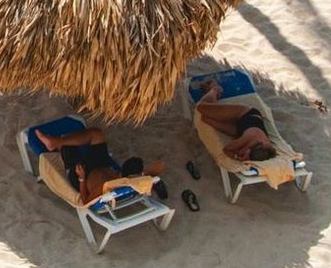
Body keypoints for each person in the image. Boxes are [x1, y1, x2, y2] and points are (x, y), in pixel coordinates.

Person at [37, 126, 165, 204]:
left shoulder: (106, 188)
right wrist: (145, 175)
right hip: (101, 164)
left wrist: (81, 178)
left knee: (67, 147)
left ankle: (55, 144)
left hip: (83, 174)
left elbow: (86, 201)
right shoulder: (136, 181)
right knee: (96, 133)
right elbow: (161, 164)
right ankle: (55, 142)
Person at [195, 80, 279, 161]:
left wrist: (243, 154)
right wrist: (237, 157)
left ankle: (213, 101)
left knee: (206, 119)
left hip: (240, 130)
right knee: (201, 107)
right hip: (245, 114)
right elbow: (227, 149)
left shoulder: (264, 150)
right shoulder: (251, 139)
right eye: (248, 155)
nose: (246, 157)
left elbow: (234, 149)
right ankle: (215, 89)